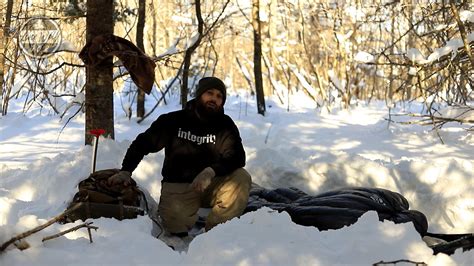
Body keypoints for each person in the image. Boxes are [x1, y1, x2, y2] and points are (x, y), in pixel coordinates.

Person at [108, 77, 252, 236]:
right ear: (199, 95)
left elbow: (237, 156)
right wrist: (126, 170)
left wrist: (211, 171)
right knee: (175, 226)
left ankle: (216, 232)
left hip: (211, 183)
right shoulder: (174, 120)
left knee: (241, 177)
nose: (214, 99)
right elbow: (142, 143)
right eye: (209, 93)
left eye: (219, 96)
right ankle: (182, 219)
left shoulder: (225, 125)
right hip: (180, 186)